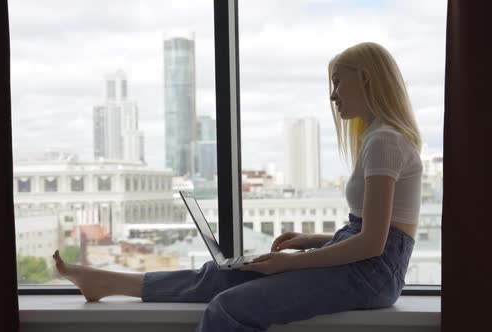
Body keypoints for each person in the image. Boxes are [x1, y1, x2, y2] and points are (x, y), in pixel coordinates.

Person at [52, 41, 423, 332]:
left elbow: (374, 243)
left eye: (339, 81)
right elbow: (370, 230)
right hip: (367, 264)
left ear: (367, 78)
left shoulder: (385, 141)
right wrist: (309, 241)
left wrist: (288, 266)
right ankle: (102, 281)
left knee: (228, 308)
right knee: (223, 274)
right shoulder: (378, 137)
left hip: (372, 274)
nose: (333, 94)